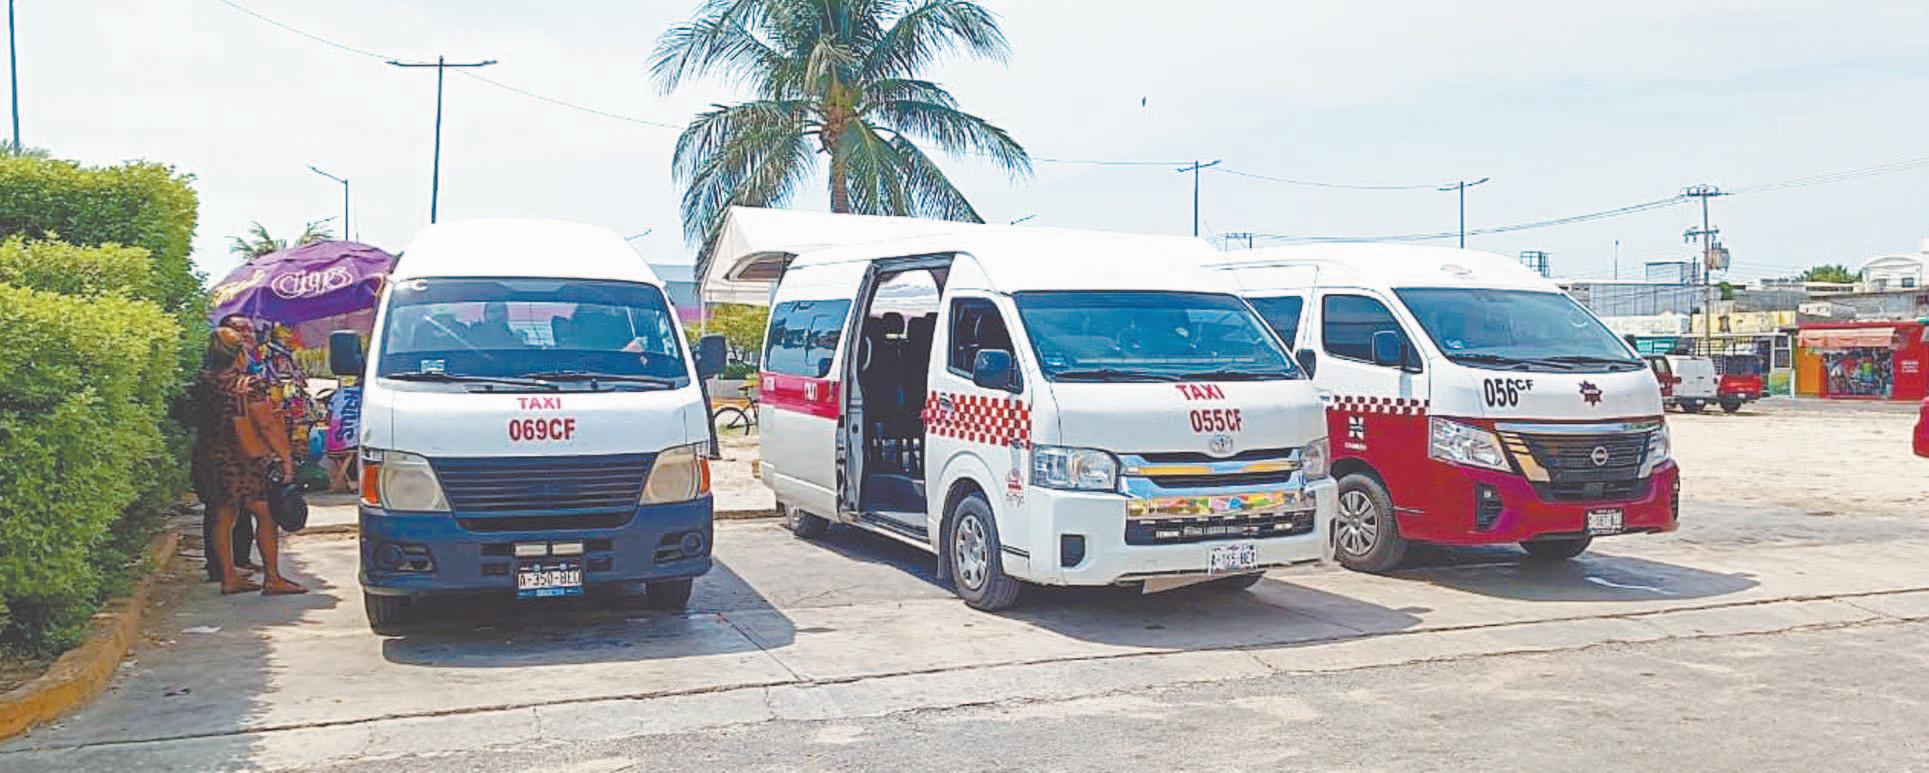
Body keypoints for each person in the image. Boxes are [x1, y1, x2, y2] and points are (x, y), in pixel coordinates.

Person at [194, 316, 308, 595]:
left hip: (211, 457)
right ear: (239, 355)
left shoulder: (204, 383)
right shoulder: (248, 385)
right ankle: (273, 578)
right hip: (243, 459)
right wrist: (285, 458)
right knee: (265, 515)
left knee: (223, 517)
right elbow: (266, 424)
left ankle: (228, 577)